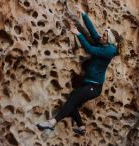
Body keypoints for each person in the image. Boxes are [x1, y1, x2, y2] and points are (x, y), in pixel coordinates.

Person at [36, 5, 121, 136]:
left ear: (109, 40)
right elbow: (93, 32)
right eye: (103, 35)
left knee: (73, 98)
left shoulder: (109, 51)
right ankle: (81, 128)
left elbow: (90, 50)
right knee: (73, 103)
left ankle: (52, 122)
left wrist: (78, 34)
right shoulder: (104, 43)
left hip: (94, 87)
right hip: (89, 83)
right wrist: (83, 15)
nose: (101, 37)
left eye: (104, 36)